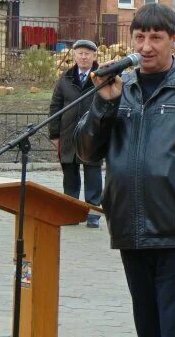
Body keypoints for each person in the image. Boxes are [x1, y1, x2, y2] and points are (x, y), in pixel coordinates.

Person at [73, 3, 175, 337]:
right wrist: (104, 104)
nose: (145, 47)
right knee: (147, 327)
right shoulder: (121, 88)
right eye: (139, 37)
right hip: (130, 228)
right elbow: (86, 152)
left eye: (155, 37)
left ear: (173, 39)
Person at [48, 39, 103, 228]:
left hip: (93, 133)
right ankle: (70, 211)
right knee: (70, 174)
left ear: (94, 56)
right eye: (80, 53)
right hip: (68, 133)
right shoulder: (66, 79)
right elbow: (55, 106)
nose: (83, 56)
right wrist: (55, 135)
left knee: (93, 173)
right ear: (74, 56)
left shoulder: (101, 77)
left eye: (87, 53)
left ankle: (93, 213)